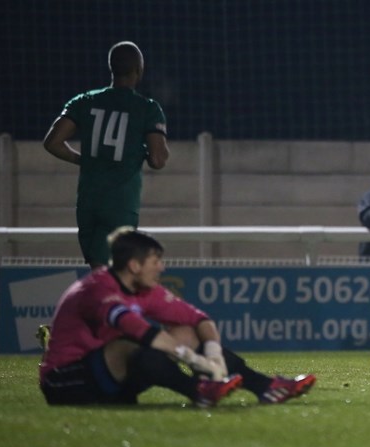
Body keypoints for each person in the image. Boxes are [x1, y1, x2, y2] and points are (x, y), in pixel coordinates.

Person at [38, 226, 316, 407]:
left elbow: (199, 319)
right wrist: (193, 359)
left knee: (184, 330)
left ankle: (264, 386)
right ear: (134, 265)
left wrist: (213, 353)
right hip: (66, 383)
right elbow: (131, 326)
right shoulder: (96, 288)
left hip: (111, 381)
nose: (162, 267)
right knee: (130, 344)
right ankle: (199, 390)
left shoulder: (144, 289)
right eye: (156, 261)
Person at [43, 41, 170, 269]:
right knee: (115, 279)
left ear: (111, 69)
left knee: (98, 274)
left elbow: (52, 142)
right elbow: (158, 160)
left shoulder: (84, 101)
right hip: (120, 204)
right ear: (139, 70)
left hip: (88, 202)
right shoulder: (147, 108)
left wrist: (82, 159)